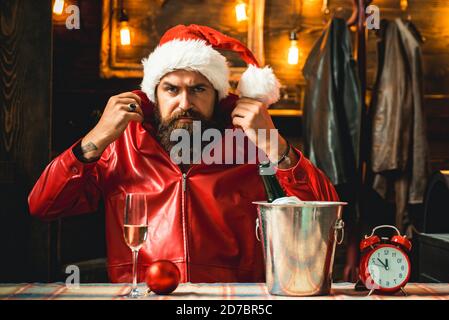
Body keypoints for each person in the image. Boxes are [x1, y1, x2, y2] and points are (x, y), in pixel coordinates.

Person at [28, 24, 339, 283]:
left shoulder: (252, 144)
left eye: (199, 89)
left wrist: (275, 145)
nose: (185, 103)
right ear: (153, 96)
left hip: (236, 298)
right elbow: (44, 206)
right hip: (142, 292)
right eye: (172, 89)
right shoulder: (120, 145)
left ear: (218, 96)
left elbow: (325, 215)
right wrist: (95, 139)